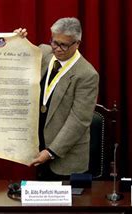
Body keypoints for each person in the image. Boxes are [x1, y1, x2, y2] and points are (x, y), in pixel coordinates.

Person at [16, 17, 99, 180]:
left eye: (64, 45)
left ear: (77, 43)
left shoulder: (87, 74)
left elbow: (79, 120)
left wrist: (51, 151)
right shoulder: (44, 52)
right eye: (55, 42)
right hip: (38, 150)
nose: (57, 49)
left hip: (65, 159)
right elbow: (15, 61)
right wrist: (15, 41)